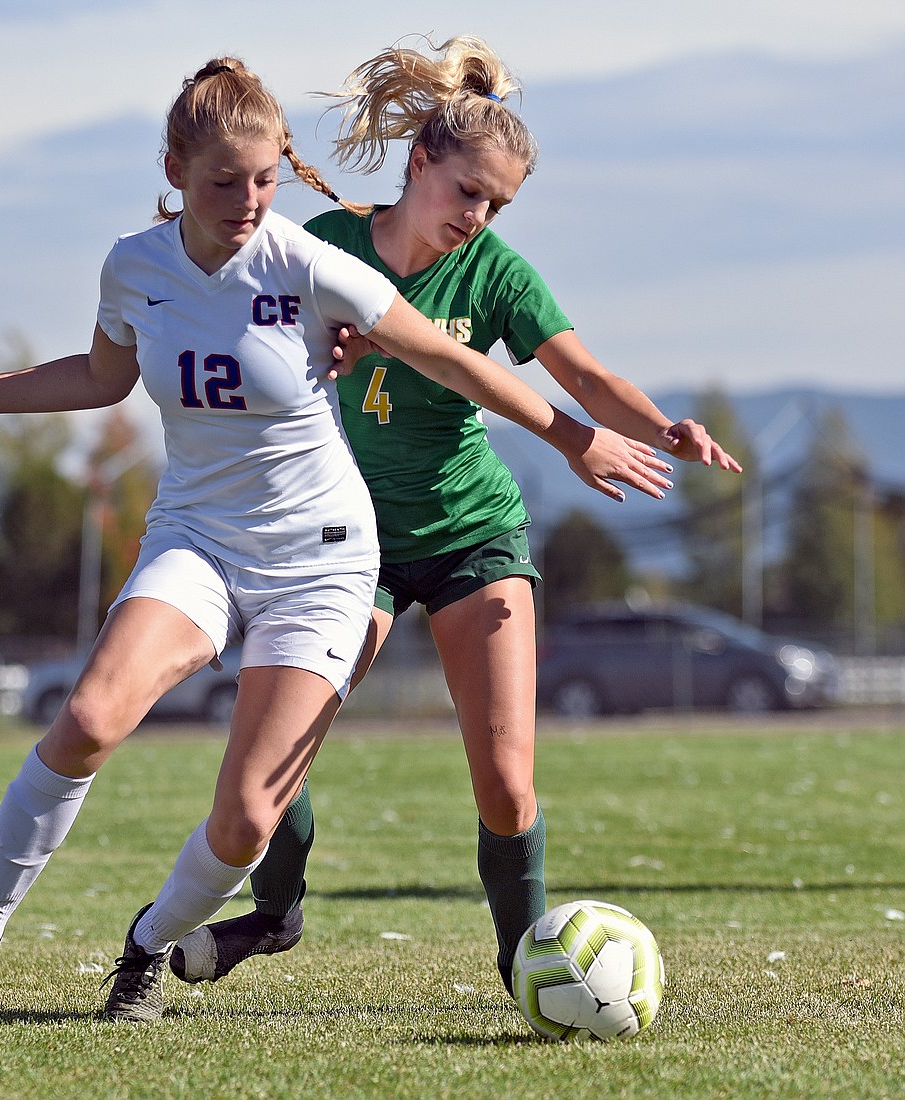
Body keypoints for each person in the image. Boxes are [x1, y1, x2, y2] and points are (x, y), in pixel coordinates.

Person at [0, 55, 670, 1023]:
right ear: (174, 169)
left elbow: (454, 361)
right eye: (223, 181)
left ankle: (147, 947)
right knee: (90, 712)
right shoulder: (136, 264)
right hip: (197, 535)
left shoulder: (307, 262)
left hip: (322, 557)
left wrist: (575, 433)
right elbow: (96, 376)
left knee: (250, 813)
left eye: (264, 179)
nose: (247, 201)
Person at [168, 36, 741, 1001]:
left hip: (474, 533)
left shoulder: (497, 279)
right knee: (276, 765)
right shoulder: (324, 249)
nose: (476, 218)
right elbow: (243, 341)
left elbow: (585, 376)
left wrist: (658, 425)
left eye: (497, 205)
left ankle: (532, 972)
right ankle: (275, 914)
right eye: (467, 192)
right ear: (419, 162)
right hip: (350, 544)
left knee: (507, 782)